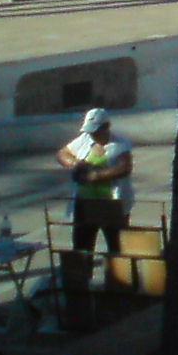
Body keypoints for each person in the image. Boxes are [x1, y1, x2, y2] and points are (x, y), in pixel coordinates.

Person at [56, 107, 133, 255]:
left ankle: (117, 276)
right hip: (84, 204)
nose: (93, 134)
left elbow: (124, 167)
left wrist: (97, 176)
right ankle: (82, 275)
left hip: (111, 204)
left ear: (106, 127)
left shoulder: (120, 143)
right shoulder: (84, 139)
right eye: (90, 131)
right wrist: (75, 163)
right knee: (82, 246)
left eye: (96, 131)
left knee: (116, 247)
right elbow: (62, 154)